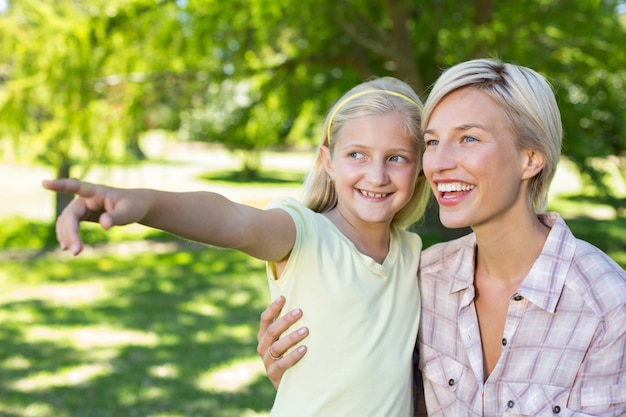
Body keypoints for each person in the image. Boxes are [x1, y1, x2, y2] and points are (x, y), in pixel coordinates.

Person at [255, 58, 626, 416]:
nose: (439, 163)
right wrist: (300, 372)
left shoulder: (607, 306)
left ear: (530, 158)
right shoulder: (425, 277)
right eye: (431, 143)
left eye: (467, 138)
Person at [43, 76, 431, 417]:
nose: (376, 175)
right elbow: (235, 221)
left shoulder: (413, 254)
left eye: (396, 158)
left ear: (419, 171)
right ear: (327, 161)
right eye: (356, 155)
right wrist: (146, 203)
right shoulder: (303, 233)